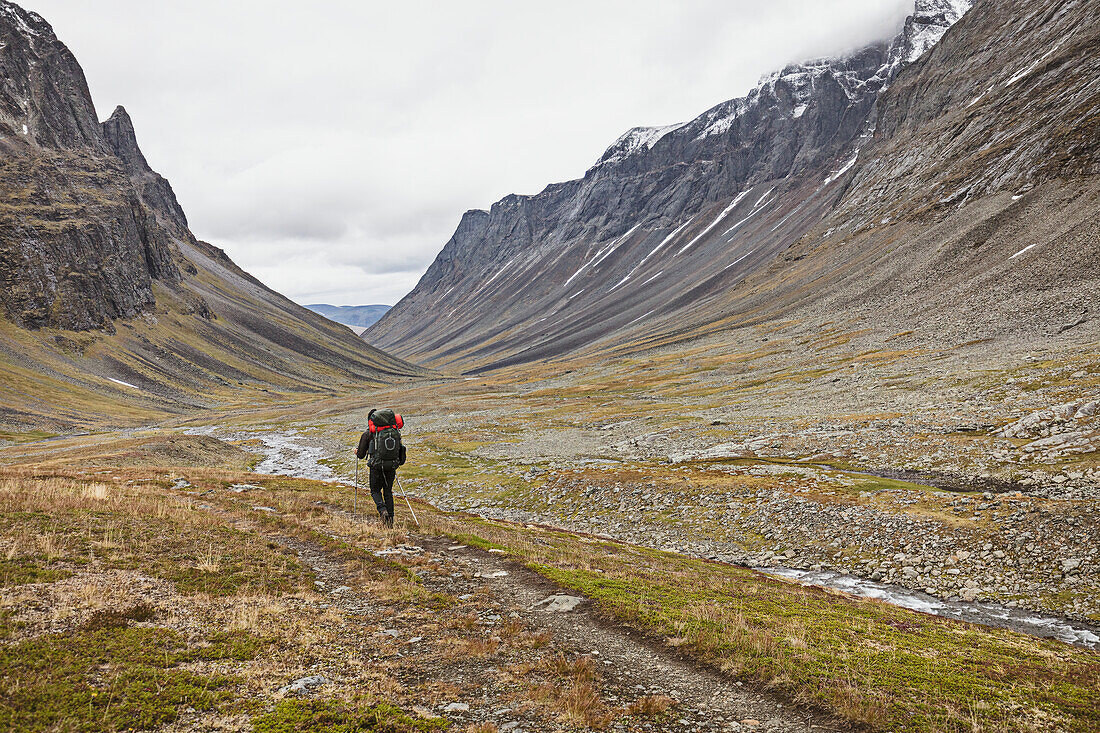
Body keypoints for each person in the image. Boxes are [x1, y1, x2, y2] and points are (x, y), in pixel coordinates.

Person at [355, 408, 406, 527]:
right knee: (388, 492)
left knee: (375, 490)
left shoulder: (369, 433)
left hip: (376, 467)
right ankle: (390, 522)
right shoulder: (393, 431)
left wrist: (356, 452)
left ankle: (382, 510)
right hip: (391, 466)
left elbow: (361, 455)